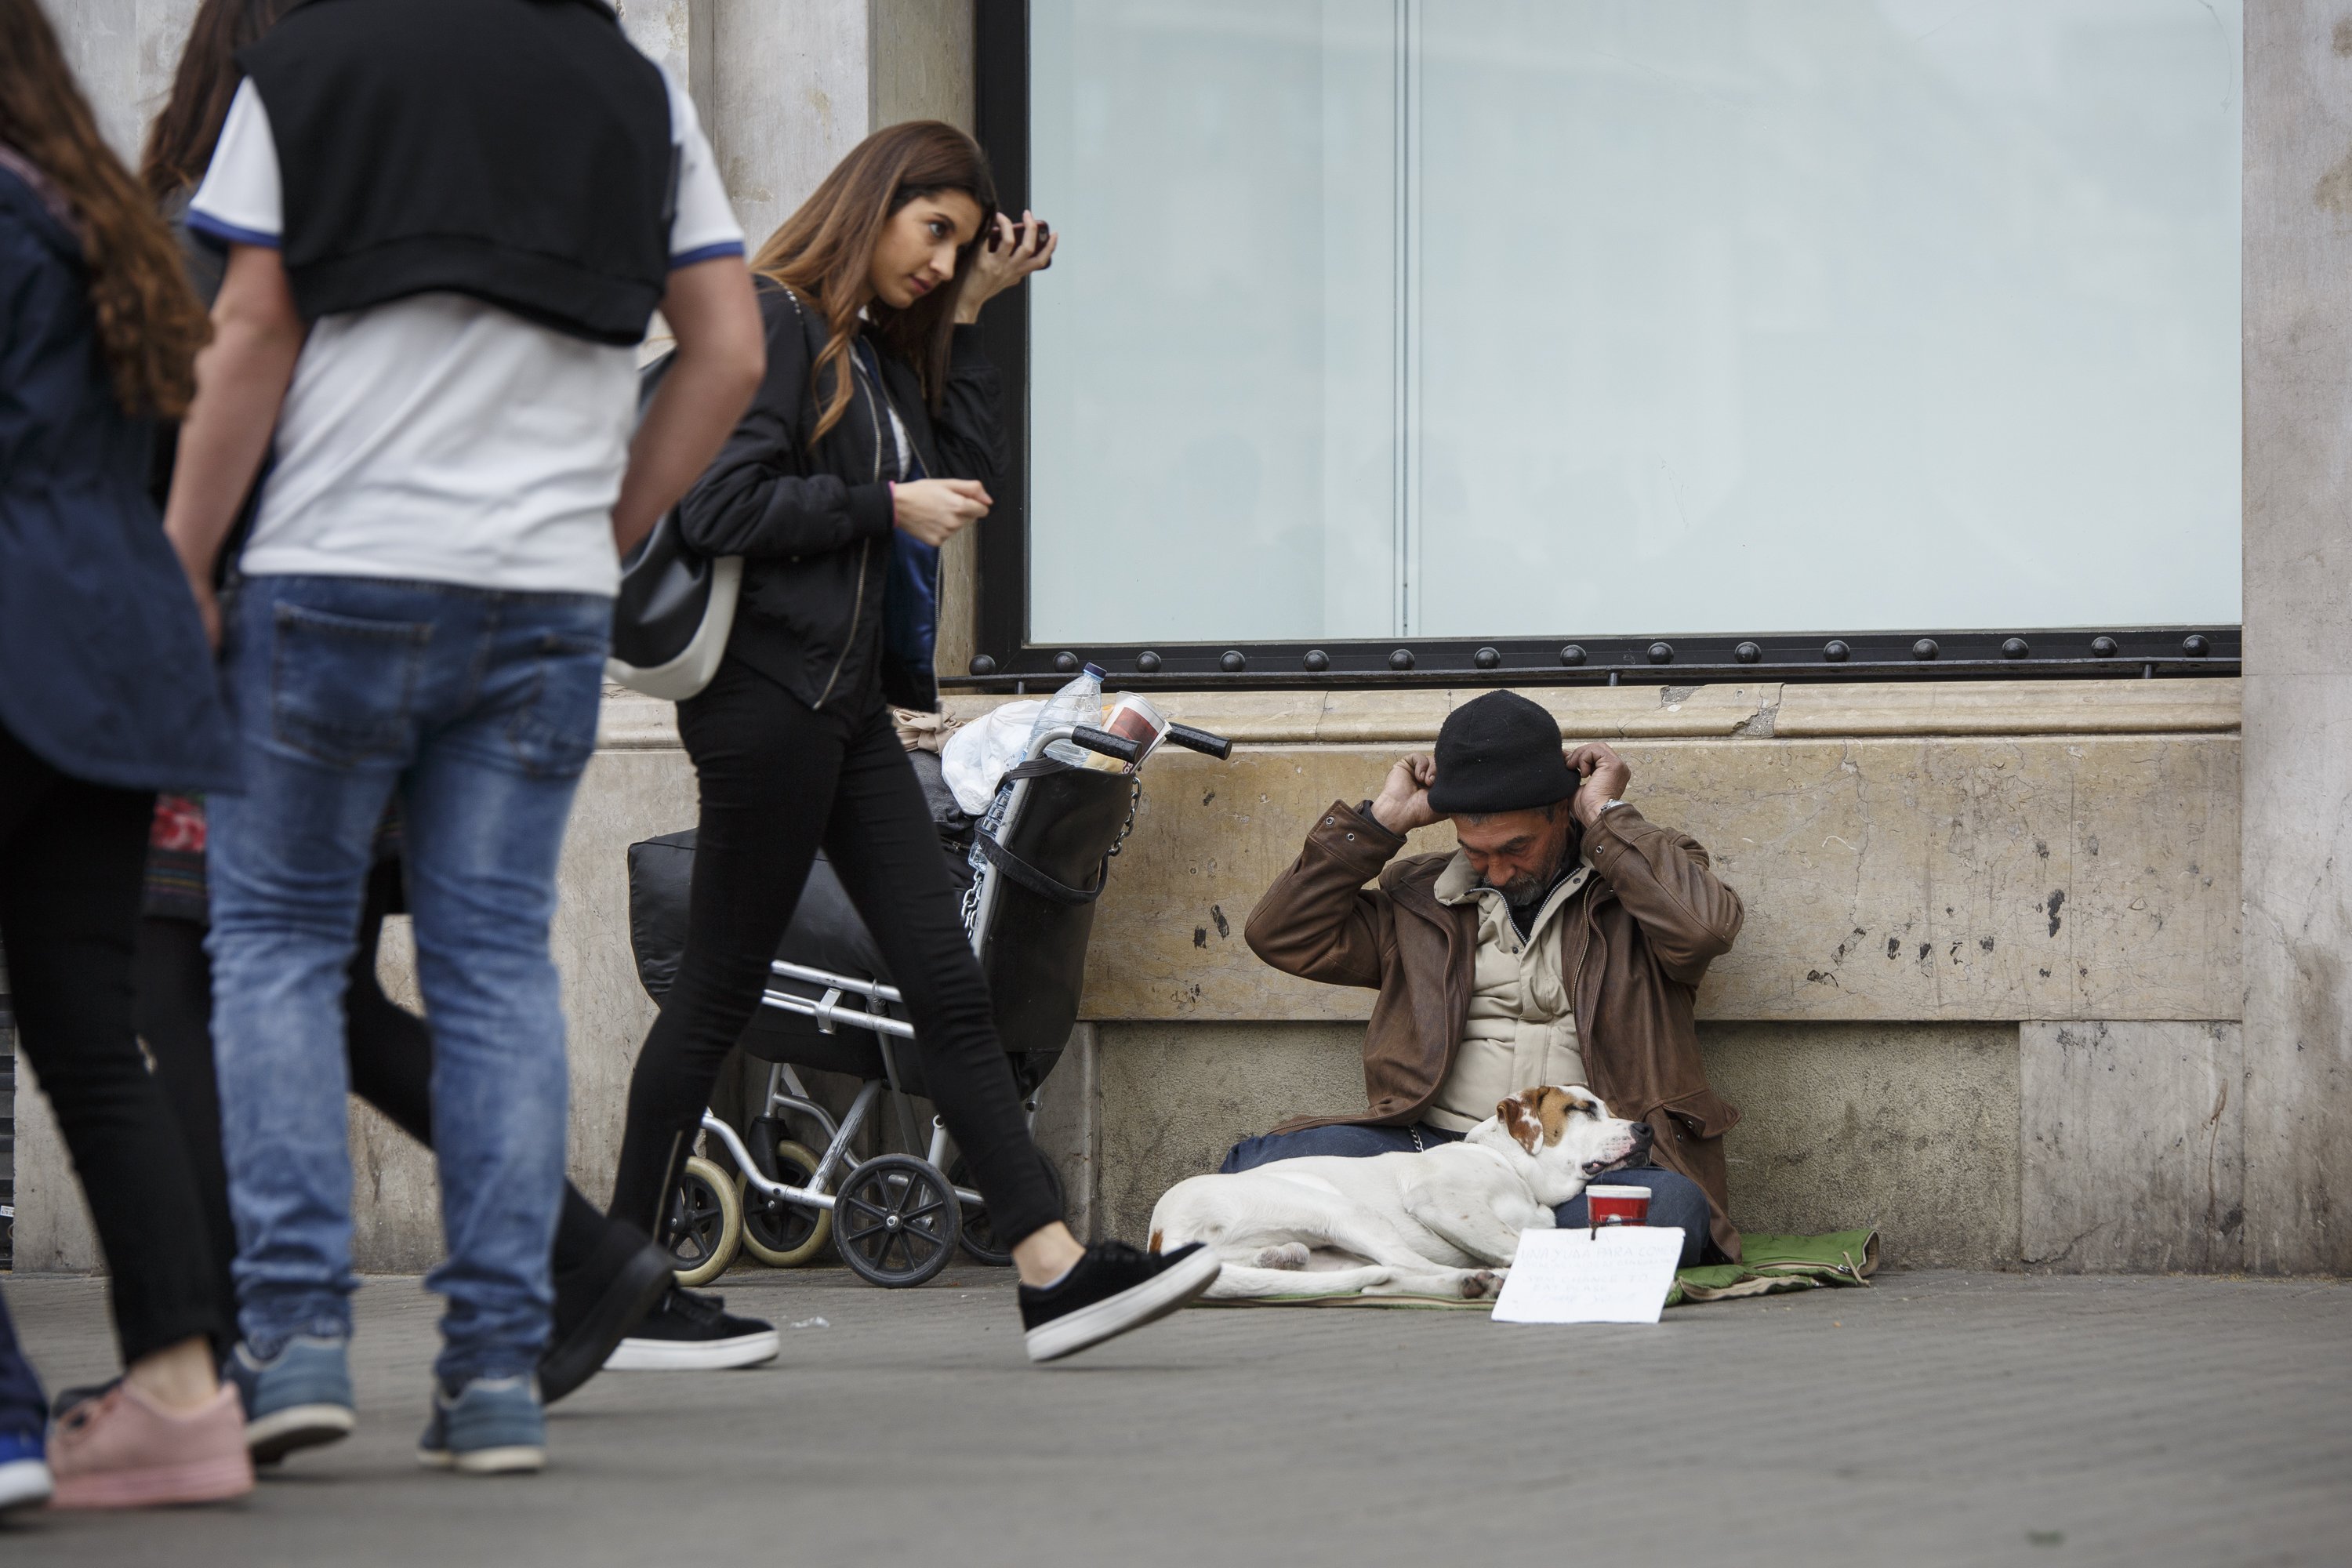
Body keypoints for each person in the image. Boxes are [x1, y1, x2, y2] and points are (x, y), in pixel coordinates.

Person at [162, 0, 763, 1475]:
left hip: (332, 574)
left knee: (278, 952)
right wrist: (604, 531)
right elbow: (730, 352)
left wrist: (179, 561)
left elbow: (250, 326)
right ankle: (493, 1371)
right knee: (495, 967)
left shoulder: (305, 66)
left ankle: (294, 1341)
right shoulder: (635, 85)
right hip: (542, 598)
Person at [605, 119, 1221, 1367]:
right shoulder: (774, 322)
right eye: (931, 232)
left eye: (958, 243)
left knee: (945, 982)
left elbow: (966, 477)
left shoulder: (873, 359)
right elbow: (719, 502)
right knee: (721, 986)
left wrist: (978, 315)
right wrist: (882, 503)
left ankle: (1049, 1270)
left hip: (842, 712)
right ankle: (616, 1286)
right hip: (766, 705)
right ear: (872, 206)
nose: (941, 261)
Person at [0, 0, 252, 1508]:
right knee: (90, 1032)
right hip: (114, 653)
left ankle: (14, 1421)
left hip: (20, 642)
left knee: (91, 1031)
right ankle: (178, 1394)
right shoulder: (88, 210)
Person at [1225, 689, 1746, 1267]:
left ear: (1560, 808)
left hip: (1579, 1164)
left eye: (1516, 847)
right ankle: (1499, 1244)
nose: (1498, 869)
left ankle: (1433, 1242)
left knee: (1669, 1206)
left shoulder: (1639, 879)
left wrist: (1605, 817)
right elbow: (1281, 934)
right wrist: (1378, 826)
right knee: (1261, 1163)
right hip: (1438, 1148)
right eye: (1476, 851)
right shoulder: (1418, 899)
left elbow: (1704, 930)